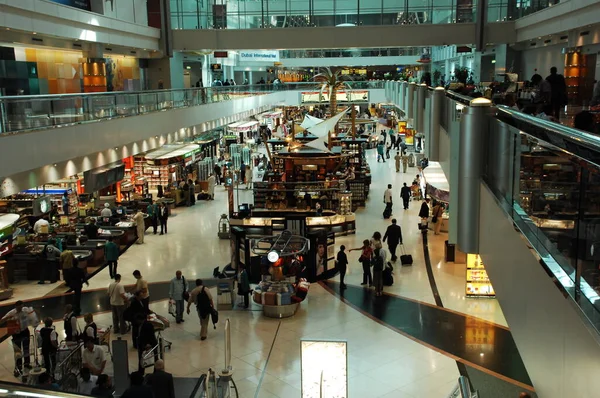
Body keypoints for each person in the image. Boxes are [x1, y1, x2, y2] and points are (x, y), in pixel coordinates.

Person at [1, 301, 35, 376]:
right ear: (16, 307)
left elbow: (32, 315)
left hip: (25, 331)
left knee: (26, 348)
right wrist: (7, 318)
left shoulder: (25, 309)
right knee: (18, 351)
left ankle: (27, 364)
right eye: (18, 307)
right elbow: (3, 319)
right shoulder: (11, 313)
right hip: (16, 334)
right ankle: (18, 367)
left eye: (21, 307)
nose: (20, 309)